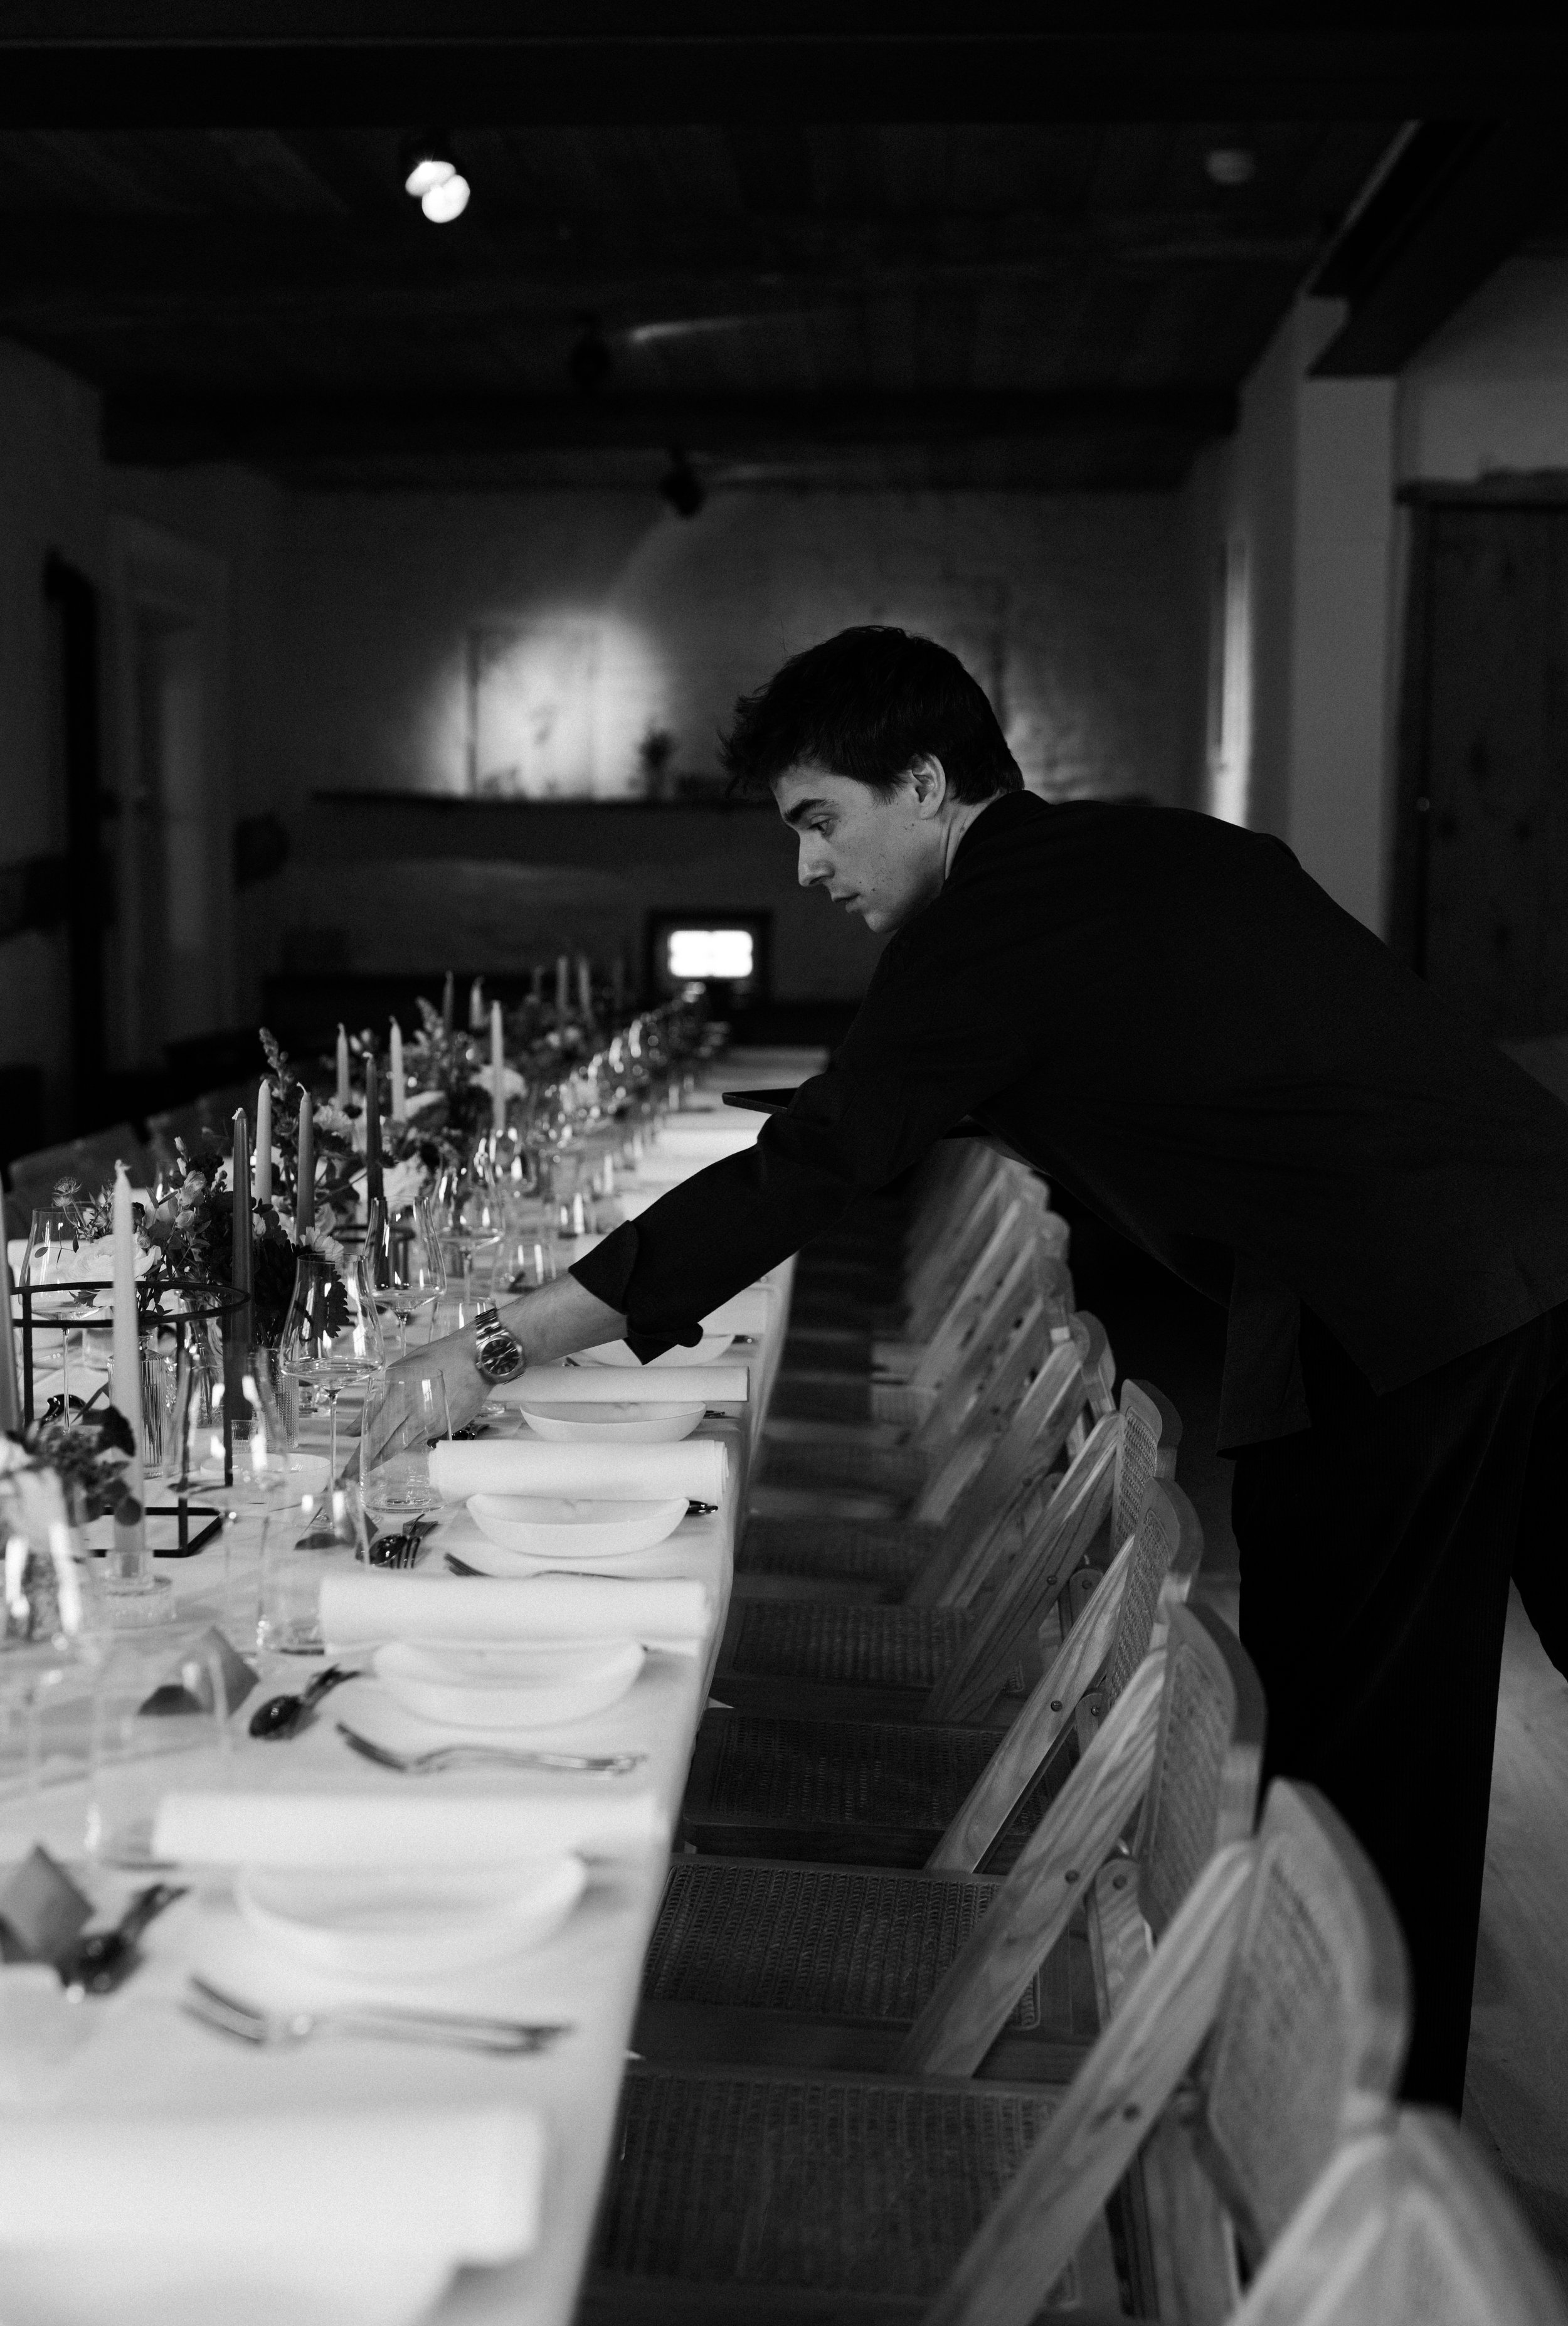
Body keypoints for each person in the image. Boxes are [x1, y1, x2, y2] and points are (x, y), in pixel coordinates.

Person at [425, 624, 1568, 2110]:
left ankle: (1349, 2138)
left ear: (923, 780)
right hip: (1513, 1238)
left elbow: (815, 1164)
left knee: (1367, 1751)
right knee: (1362, 1719)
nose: (808, 869)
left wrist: (496, 1341)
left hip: (1416, 1300)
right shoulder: (1122, 857)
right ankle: (1352, 2116)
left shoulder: (986, 925)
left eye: (819, 819)